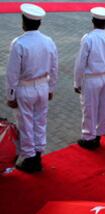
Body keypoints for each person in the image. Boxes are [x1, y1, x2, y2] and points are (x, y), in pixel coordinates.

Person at [6, 4, 58, 172]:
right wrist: (50, 88)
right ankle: (38, 154)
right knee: (40, 121)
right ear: (39, 23)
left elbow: (12, 73)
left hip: (25, 88)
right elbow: (54, 68)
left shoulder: (19, 43)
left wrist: (11, 95)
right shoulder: (48, 41)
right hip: (42, 86)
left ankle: (30, 159)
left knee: (26, 123)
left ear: (23, 22)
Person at [74, 7, 105, 149]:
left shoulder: (88, 38)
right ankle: (98, 136)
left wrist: (77, 82)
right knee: (103, 108)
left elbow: (80, 62)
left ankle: (88, 137)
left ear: (93, 21)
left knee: (89, 108)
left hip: (92, 78)